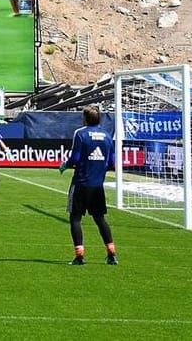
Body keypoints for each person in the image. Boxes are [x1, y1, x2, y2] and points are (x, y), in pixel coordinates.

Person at [60, 105, 118, 266]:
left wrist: (65, 165)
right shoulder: (107, 135)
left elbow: (75, 158)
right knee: (100, 219)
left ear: (85, 118)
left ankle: (79, 256)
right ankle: (111, 254)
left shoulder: (80, 134)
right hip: (97, 184)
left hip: (81, 183)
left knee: (75, 218)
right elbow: (112, 162)